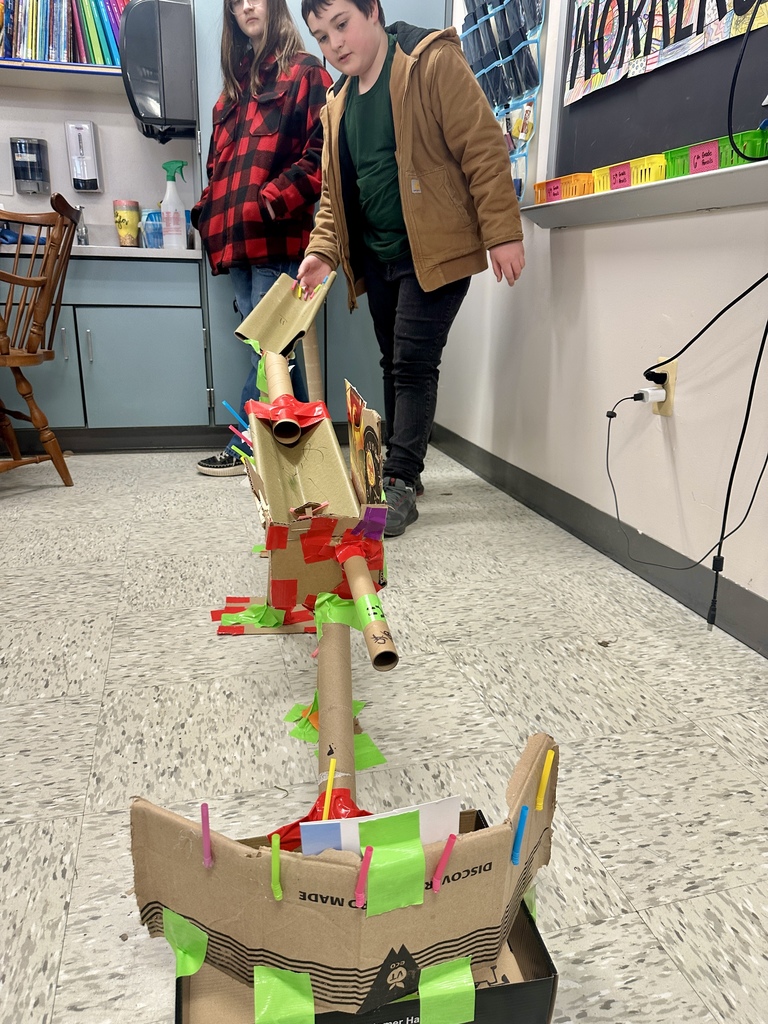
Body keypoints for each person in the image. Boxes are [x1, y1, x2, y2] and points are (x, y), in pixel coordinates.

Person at [296, 0, 525, 535]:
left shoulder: (430, 62)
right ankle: (403, 472)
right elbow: (334, 196)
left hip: (437, 250)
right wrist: (321, 251)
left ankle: (399, 479)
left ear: (373, 10)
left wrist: (503, 232)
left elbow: (483, 146)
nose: (335, 45)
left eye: (342, 25)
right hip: (379, 257)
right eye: (322, 37)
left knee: (413, 364)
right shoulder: (338, 103)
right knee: (392, 361)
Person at [193, 0, 332, 477]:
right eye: (235, 3)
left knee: (273, 348)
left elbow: (325, 154)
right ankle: (292, 455)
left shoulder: (305, 73)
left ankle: (258, 449)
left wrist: (273, 200)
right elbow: (218, 169)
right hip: (236, 243)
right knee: (269, 348)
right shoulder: (229, 95)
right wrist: (207, 210)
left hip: (277, 237)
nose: (246, 6)